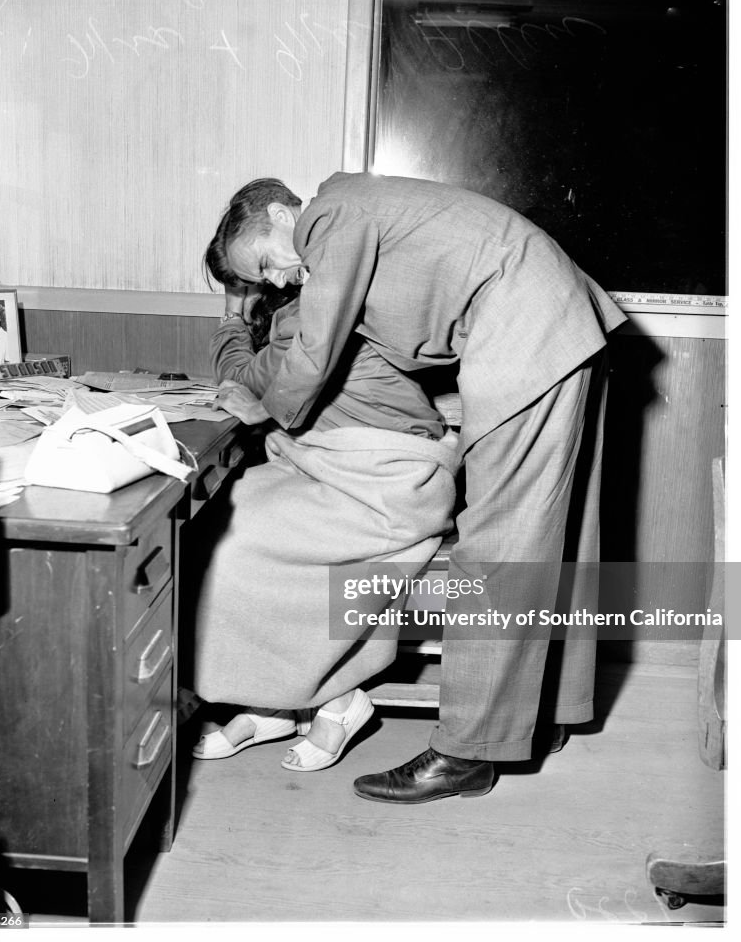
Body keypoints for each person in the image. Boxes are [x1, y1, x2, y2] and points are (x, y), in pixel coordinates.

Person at [204, 172, 627, 802]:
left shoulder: (329, 217)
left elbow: (314, 356)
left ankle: (467, 753)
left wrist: (267, 409)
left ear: (278, 212)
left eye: (266, 261)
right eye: (264, 279)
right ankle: (549, 711)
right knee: (554, 535)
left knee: (500, 544)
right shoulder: (368, 218)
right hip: (555, 322)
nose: (276, 280)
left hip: (524, 329)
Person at [191, 277, 460, 772]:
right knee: (218, 524)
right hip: (336, 467)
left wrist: (231, 316)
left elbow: (242, 377)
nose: (272, 277)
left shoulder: (311, 319)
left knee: (237, 544)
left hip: (391, 482)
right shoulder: (307, 314)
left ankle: (338, 701)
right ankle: (271, 702)